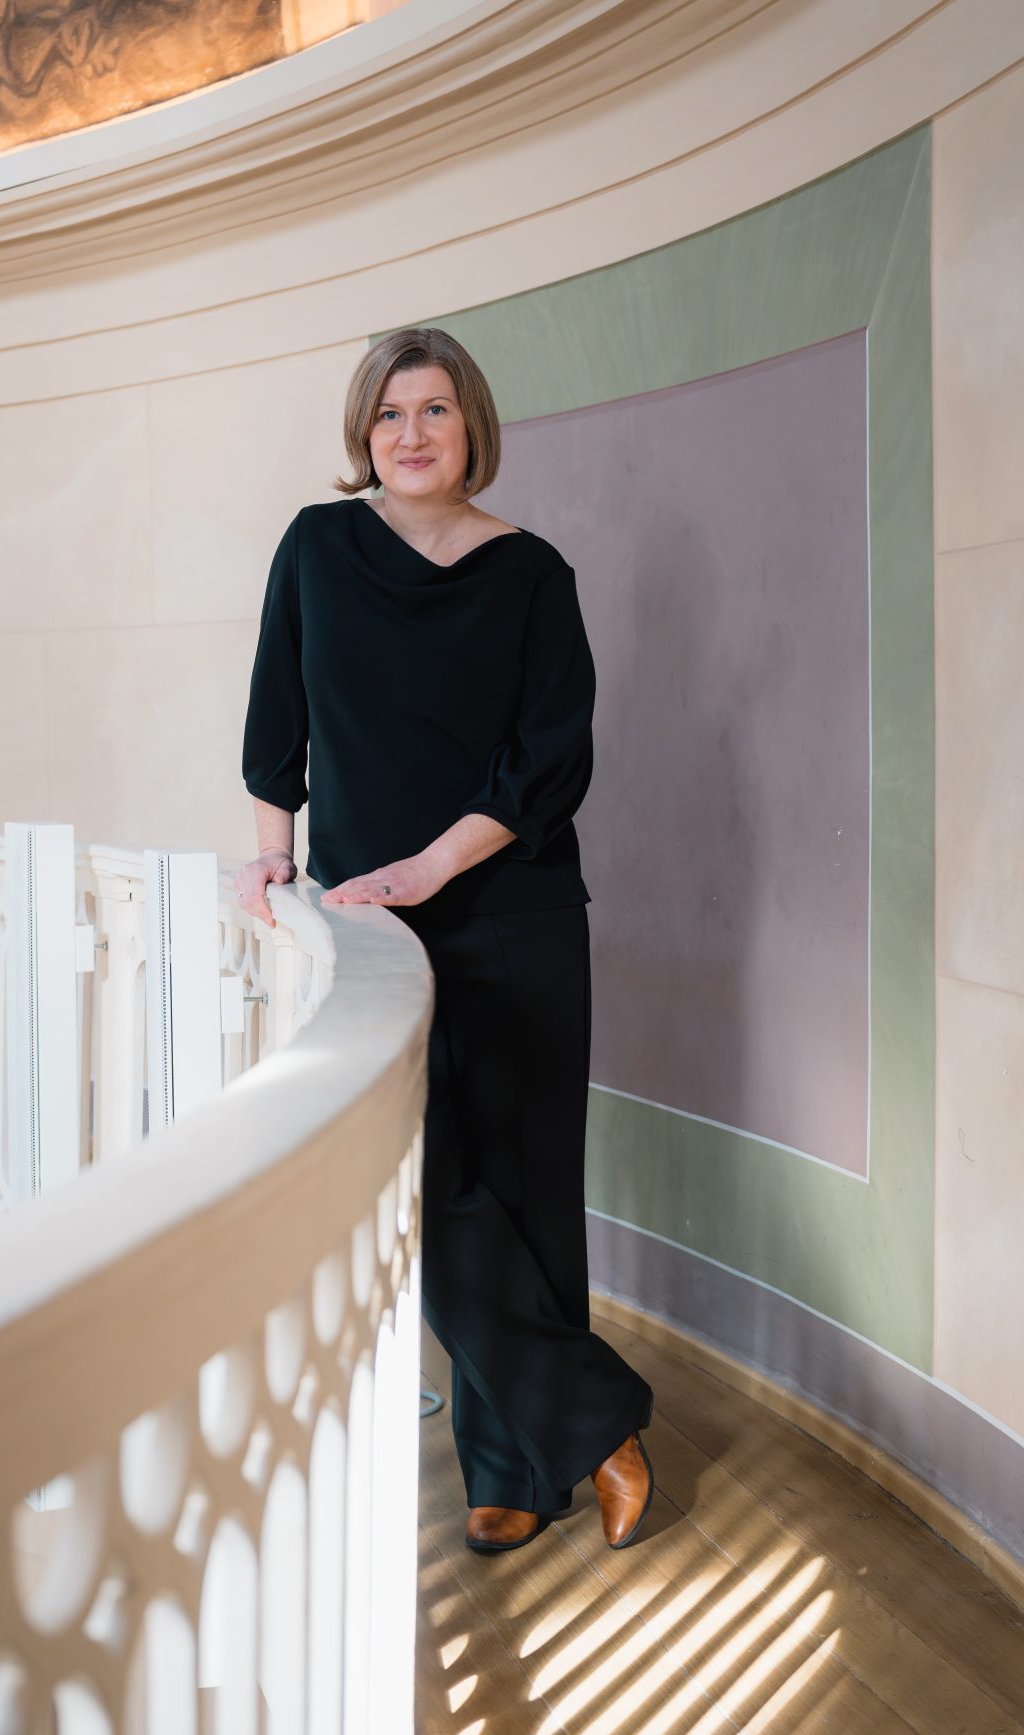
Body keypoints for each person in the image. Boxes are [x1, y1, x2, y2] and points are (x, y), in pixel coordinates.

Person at [236, 325, 655, 1554]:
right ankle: (595, 1424)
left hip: (510, 915)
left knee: (524, 1191)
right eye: (387, 416)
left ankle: (517, 1469)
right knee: (421, 1185)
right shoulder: (317, 549)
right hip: (363, 931)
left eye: (432, 411)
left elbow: (548, 762)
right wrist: (273, 848)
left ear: (469, 424)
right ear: (362, 438)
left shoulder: (533, 573)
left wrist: (430, 864)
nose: (410, 435)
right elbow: (276, 713)